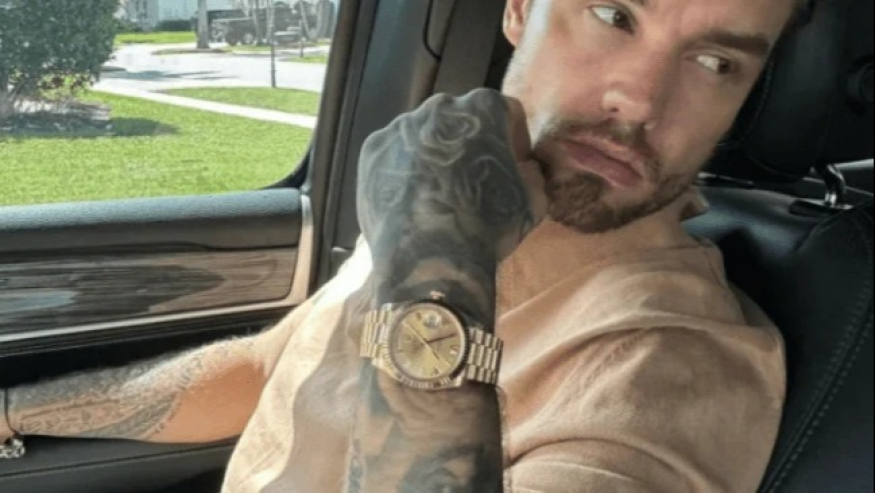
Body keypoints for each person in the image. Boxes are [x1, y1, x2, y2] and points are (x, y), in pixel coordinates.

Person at [0, 0, 802, 490]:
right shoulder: (458, 200)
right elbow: (273, 367)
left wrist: (435, 265)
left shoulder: (678, 360)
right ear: (520, 8)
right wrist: (13, 412)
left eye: (715, 62)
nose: (641, 100)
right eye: (614, 16)